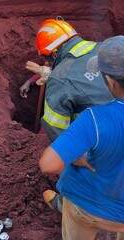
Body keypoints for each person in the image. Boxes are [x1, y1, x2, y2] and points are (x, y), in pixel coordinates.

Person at [38, 36, 124, 239]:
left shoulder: (94, 119)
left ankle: (60, 203)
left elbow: (48, 164)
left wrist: (79, 158)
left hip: (86, 206)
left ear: (110, 81)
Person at [36, 18, 113, 142]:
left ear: (54, 53)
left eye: (47, 57)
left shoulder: (59, 79)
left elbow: (55, 127)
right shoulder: (107, 47)